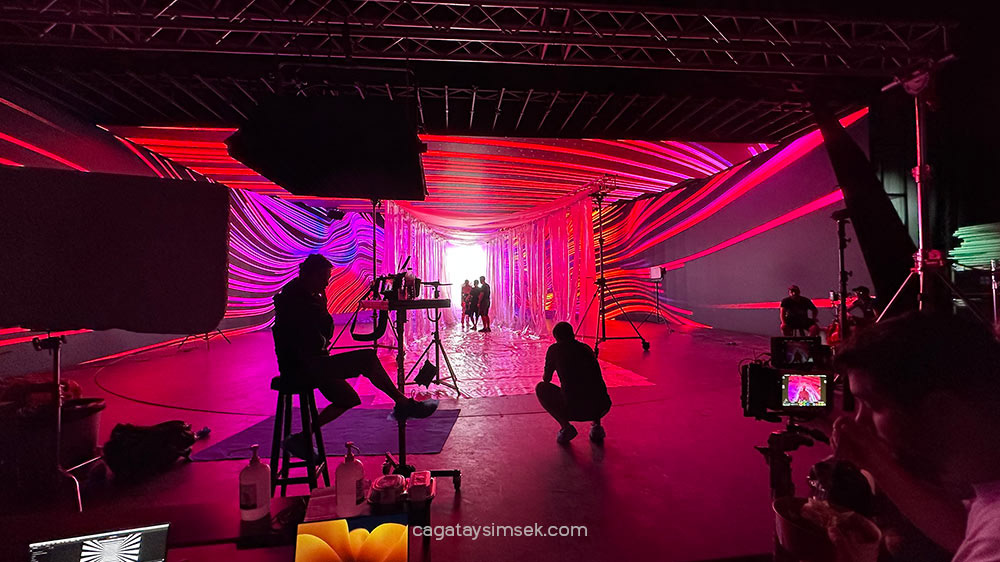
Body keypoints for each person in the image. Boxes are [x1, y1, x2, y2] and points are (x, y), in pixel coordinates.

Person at [832, 312, 1000, 562]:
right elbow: (961, 532)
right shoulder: (987, 485)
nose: (859, 422)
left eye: (873, 405)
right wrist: (873, 459)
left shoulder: (994, 544)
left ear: (942, 410)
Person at [273, 254, 438, 459]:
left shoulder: (294, 294)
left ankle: (303, 437)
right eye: (323, 278)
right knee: (367, 359)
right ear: (311, 275)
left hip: (306, 364)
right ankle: (402, 404)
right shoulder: (301, 300)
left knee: (349, 398)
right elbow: (325, 332)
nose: (326, 284)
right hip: (304, 367)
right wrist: (323, 308)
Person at [535, 322, 612, 444]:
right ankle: (597, 426)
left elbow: (546, 379)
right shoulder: (585, 348)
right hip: (602, 406)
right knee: (592, 387)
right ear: (572, 334)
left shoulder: (555, 350)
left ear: (556, 337)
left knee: (541, 388)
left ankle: (566, 428)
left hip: (573, 408)